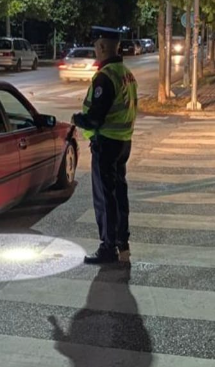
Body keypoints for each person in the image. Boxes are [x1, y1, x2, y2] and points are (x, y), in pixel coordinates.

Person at [72, 26, 138, 264]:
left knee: (105, 197)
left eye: (95, 46)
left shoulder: (105, 76)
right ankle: (122, 243)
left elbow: (95, 118)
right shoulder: (126, 73)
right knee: (119, 194)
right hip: (123, 142)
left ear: (101, 46)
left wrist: (78, 119)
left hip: (106, 144)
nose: (95, 51)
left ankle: (108, 248)